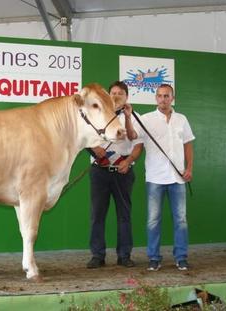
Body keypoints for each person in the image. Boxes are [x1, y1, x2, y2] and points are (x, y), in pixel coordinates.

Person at [132, 83, 195, 271]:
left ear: (172, 98)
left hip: (178, 178)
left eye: (166, 96)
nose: (163, 99)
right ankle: (153, 258)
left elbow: (188, 145)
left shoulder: (182, 119)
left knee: (181, 219)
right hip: (155, 177)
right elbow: (133, 135)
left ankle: (181, 257)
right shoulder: (146, 119)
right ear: (155, 98)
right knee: (153, 220)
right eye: (159, 96)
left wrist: (189, 168)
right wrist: (129, 117)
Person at [86, 81, 140, 269]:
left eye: (120, 93)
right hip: (99, 170)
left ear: (126, 97)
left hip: (123, 170)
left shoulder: (133, 116)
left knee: (124, 215)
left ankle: (124, 255)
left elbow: (134, 139)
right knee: (97, 214)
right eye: (113, 93)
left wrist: (127, 117)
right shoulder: (97, 115)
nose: (116, 96)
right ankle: (97, 255)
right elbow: (85, 136)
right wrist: (94, 148)